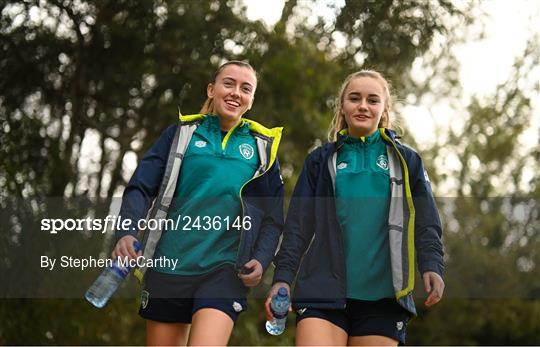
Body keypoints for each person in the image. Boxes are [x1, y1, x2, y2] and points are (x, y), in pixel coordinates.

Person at [266, 70, 444, 346]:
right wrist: (283, 278)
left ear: (384, 109)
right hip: (322, 293)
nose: (363, 105)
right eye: (355, 98)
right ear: (343, 106)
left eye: (372, 100)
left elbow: (426, 222)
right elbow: (298, 228)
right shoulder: (319, 161)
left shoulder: (407, 161)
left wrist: (431, 264)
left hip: (384, 301)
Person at [112, 60, 284, 345]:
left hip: (224, 270)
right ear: (211, 89)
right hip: (169, 265)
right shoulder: (180, 134)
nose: (235, 93)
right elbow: (141, 186)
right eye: (228, 83)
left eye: (245, 88)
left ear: (251, 100)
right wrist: (127, 231)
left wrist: (263, 257)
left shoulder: (262, 149)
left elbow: (273, 217)